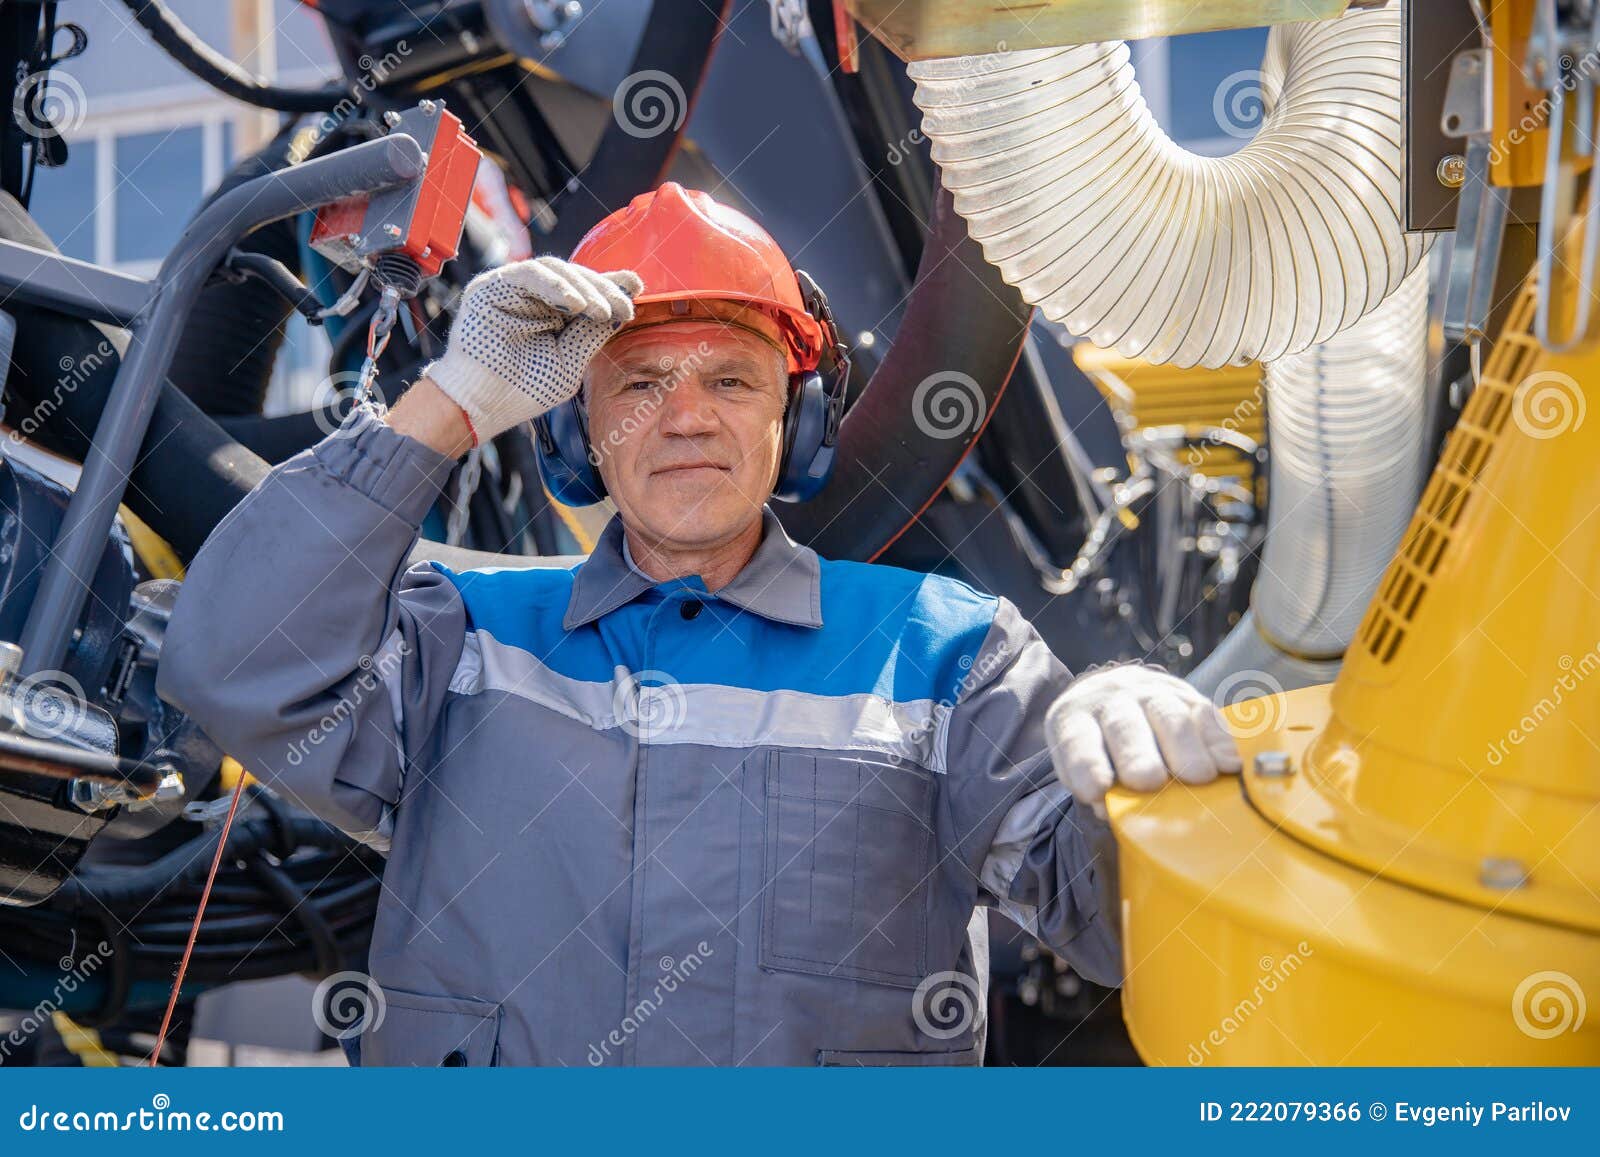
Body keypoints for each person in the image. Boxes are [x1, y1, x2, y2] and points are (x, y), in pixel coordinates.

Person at [157, 182, 1241, 1066]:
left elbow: (1123, 930)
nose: (684, 414)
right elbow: (236, 667)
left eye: (730, 376)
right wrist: (453, 398)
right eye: (637, 383)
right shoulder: (464, 641)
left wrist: (1141, 779)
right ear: (577, 435)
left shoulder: (949, 654)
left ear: (797, 417)